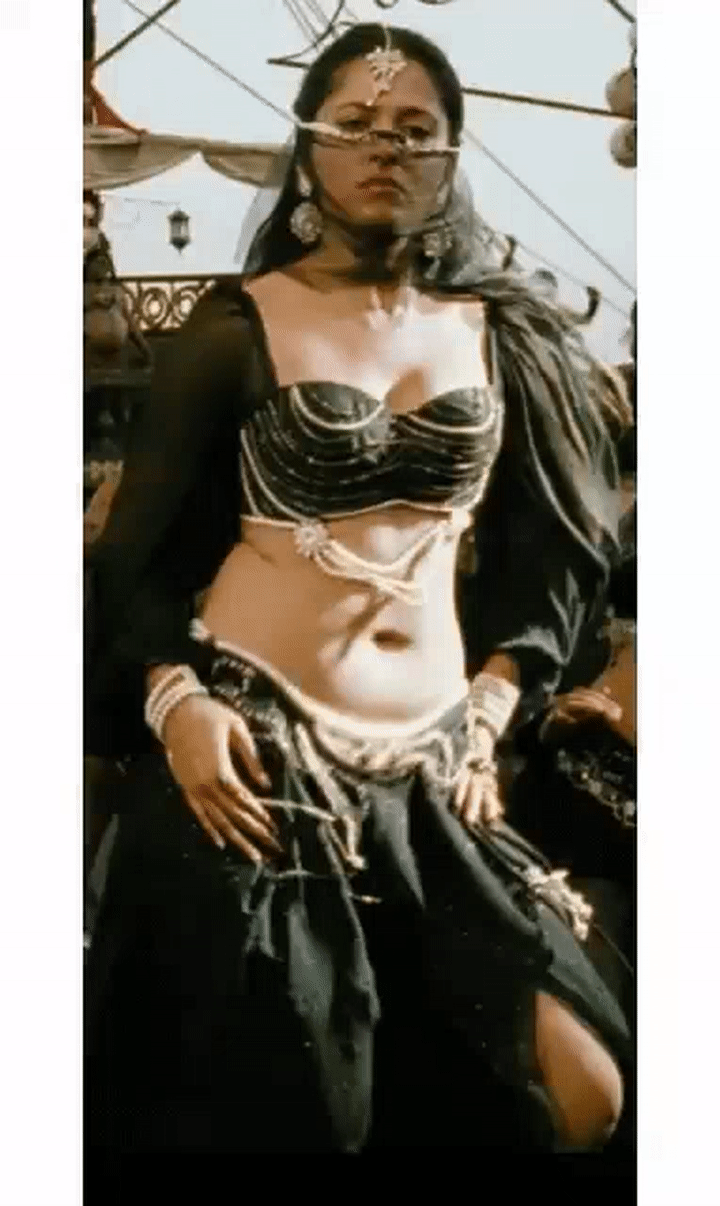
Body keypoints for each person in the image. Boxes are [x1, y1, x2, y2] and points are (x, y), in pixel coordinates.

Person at [85, 23, 632, 1157]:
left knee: (583, 1091)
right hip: (256, 753)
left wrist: (496, 698)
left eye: (416, 130)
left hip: (440, 765)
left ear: (451, 154)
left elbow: (553, 554)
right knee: (300, 1105)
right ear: (310, 145)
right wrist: (177, 706)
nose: (386, 148)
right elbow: (138, 558)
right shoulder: (233, 329)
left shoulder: (506, 335)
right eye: (356, 125)